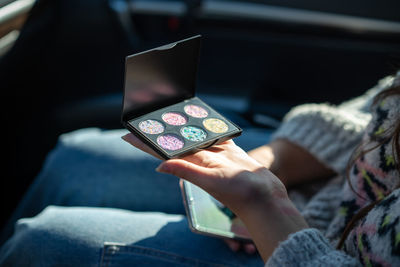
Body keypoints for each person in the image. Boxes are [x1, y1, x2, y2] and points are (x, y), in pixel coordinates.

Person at [0, 71, 399, 266]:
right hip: (318, 187)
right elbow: (369, 113)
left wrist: (269, 209)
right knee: (76, 158)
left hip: (309, 255)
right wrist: (265, 162)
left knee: (43, 240)